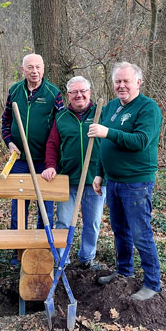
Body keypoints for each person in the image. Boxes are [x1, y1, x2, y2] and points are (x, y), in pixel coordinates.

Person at [87, 62, 163, 301]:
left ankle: (152, 283)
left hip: (136, 183)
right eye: (117, 81)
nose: (121, 86)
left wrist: (107, 132)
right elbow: (104, 146)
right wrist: (99, 173)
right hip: (114, 181)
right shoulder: (111, 107)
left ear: (138, 82)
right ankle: (124, 273)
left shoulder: (148, 108)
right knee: (120, 231)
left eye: (126, 81)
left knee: (141, 234)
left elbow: (140, 140)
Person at [0, 53, 63, 264]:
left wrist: (53, 158)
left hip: (44, 161)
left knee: (45, 208)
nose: (34, 71)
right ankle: (18, 251)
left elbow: (61, 126)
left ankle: (41, 248)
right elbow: (6, 121)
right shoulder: (15, 91)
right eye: (30, 67)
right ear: (23, 69)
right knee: (19, 207)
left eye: (38, 67)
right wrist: (9, 142)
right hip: (20, 161)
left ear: (43, 68)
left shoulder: (54, 93)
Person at [41, 76, 106, 270]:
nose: (79, 95)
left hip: (95, 179)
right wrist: (51, 165)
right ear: (68, 96)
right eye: (74, 92)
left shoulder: (100, 114)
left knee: (92, 222)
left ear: (89, 93)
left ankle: (87, 258)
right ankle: (62, 259)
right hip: (68, 179)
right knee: (63, 221)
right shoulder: (60, 117)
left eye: (83, 91)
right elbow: (52, 144)